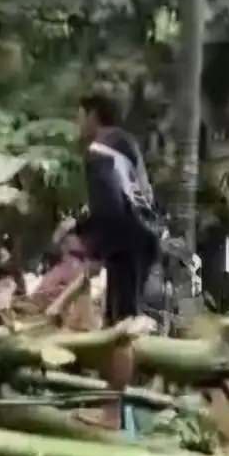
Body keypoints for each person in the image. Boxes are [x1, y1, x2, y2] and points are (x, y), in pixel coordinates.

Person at [60, 91, 160, 428]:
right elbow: (126, 197)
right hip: (142, 238)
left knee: (121, 328)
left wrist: (94, 251)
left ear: (92, 116)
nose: (78, 125)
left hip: (126, 243)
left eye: (79, 116)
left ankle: (111, 413)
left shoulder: (98, 152)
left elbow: (111, 210)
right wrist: (79, 223)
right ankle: (113, 406)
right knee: (120, 323)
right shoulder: (125, 145)